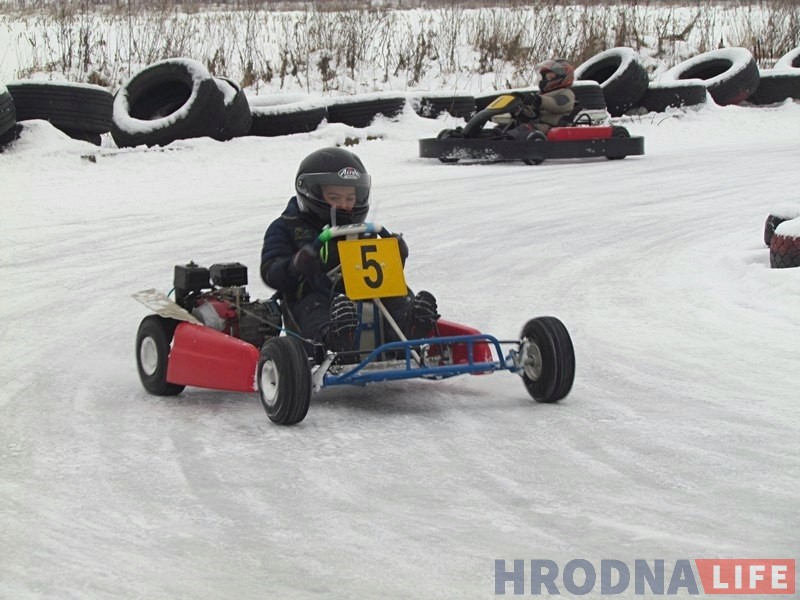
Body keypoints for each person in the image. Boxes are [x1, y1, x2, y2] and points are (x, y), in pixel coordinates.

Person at [260, 147, 439, 359]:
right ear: (310, 193)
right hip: (313, 300)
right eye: (335, 197)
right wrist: (295, 265)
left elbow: (375, 272)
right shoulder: (286, 227)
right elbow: (270, 272)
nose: (344, 206)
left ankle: (409, 329)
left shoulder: (363, 230)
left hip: (363, 296)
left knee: (396, 294)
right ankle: (334, 340)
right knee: (313, 303)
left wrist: (396, 256)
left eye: (350, 198)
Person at [508, 58, 576, 140]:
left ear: (562, 76)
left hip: (549, 126)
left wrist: (539, 100)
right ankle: (493, 139)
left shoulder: (567, 93)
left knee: (523, 130)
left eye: (550, 75)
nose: (546, 78)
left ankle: (505, 144)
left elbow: (557, 104)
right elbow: (533, 110)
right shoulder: (541, 93)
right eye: (545, 76)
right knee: (505, 126)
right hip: (535, 123)